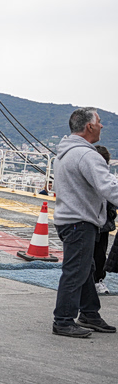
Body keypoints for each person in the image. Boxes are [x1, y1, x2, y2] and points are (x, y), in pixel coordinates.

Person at [52, 108, 118, 337]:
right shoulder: (87, 155)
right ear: (89, 126)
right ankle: (63, 320)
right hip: (80, 222)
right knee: (75, 272)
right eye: (99, 122)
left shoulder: (64, 152)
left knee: (85, 268)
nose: (101, 126)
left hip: (68, 220)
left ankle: (90, 313)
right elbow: (108, 186)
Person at [91, 145, 115, 295]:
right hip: (94, 221)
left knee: (99, 254)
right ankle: (94, 280)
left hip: (102, 223)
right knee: (95, 254)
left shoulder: (108, 179)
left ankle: (98, 279)